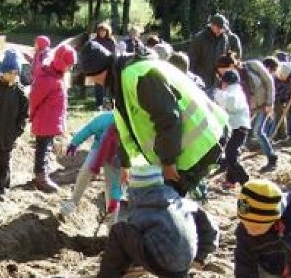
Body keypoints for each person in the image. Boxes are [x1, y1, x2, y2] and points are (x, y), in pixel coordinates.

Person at [79, 40, 228, 197]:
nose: (94, 82)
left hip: (200, 145)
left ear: (100, 70)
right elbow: (125, 128)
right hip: (182, 150)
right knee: (171, 204)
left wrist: (168, 162)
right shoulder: (120, 82)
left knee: (173, 205)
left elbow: (167, 117)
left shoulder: (137, 76)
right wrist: (125, 164)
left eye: (92, 77)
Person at [81, 165, 218, 278]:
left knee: (119, 231)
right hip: (183, 267)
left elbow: (129, 243)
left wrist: (122, 267)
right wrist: (200, 257)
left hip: (162, 264)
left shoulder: (142, 210)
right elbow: (212, 229)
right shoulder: (181, 202)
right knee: (160, 238)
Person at [215, 52, 277, 172]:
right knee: (238, 134)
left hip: (264, 104)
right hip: (249, 108)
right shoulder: (231, 80)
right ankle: (229, 161)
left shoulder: (253, 65)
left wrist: (270, 102)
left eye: (224, 71)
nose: (222, 75)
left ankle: (272, 158)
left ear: (231, 65)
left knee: (258, 131)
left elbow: (269, 81)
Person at [0, 48, 29, 202]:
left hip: (8, 135)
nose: (14, 76)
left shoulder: (20, 93)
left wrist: (17, 131)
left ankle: (0, 189)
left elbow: (24, 115)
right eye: (11, 72)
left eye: (16, 73)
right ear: (3, 71)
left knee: (4, 163)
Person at [59, 108, 123, 221]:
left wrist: (115, 200)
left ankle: (112, 221)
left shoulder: (126, 143)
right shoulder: (104, 120)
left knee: (111, 185)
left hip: (116, 156)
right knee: (86, 170)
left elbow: (116, 184)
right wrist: (75, 142)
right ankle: (73, 201)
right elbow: (88, 130)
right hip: (98, 148)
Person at [29, 45, 77, 193]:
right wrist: (32, 115)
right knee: (42, 149)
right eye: (68, 65)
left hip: (51, 120)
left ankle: (43, 173)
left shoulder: (57, 76)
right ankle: (41, 177)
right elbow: (34, 98)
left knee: (47, 147)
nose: (69, 68)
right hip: (45, 120)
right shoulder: (47, 77)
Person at [213, 69, 250, 190]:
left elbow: (230, 103)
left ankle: (245, 179)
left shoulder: (234, 92)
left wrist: (215, 93)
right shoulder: (235, 91)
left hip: (240, 127)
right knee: (231, 153)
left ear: (226, 82)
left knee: (230, 154)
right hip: (237, 127)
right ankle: (231, 181)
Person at [188, 14, 243, 91]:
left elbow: (226, 58)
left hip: (217, 82)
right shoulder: (199, 39)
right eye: (219, 28)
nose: (221, 30)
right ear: (212, 25)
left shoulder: (224, 39)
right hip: (200, 80)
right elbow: (192, 60)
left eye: (222, 28)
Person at [92, 23, 116, 109]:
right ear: (98, 32)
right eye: (100, 31)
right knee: (99, 85)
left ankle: (109, 105)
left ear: (107, 31)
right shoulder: (94, 41)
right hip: (98, 66)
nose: (102, 32)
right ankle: (99, 104)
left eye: (104, 31)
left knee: (109, 86)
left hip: (109, 65)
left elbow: (114, 52)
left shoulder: (111, 41)